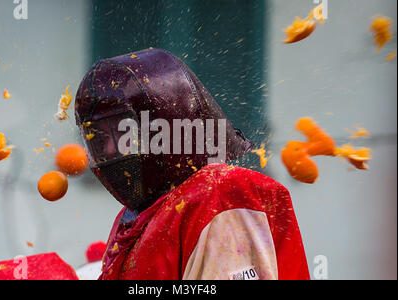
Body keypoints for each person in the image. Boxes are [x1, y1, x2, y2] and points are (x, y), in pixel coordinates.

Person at [75, 48, 310, 280]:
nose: (108, 150)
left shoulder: (219, 194)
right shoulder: (135, 217)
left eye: (123, 132)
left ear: (164, 127)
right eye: (100, 138)